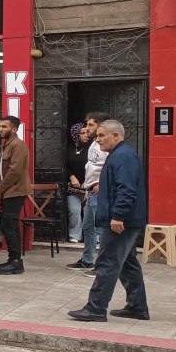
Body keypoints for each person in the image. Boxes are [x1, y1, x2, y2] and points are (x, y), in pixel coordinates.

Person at [68, 120, 150, 323]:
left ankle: (95, 308)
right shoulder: (118, 154)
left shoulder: (123, 156)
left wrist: (118, 216)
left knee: (108, 262)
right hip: (124, 219)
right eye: (97, 136)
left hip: (121, 221)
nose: (98, 140)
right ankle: (137, 306)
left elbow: (126, 190)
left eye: (102, 135)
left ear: (116, 136)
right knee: (128, 264)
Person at [68, 112, 110, 272]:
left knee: (102, 229)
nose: (87, 128)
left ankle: (103, 265)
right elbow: (92, 166)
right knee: (88, 227)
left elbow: (110, 165)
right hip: (91, 190)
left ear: (101, 125)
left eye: (91, 124)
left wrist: (102, 183)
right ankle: (87, 260)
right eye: (87, 124)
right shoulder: (93, 143)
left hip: (100, 192)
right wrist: (87, 186)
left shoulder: (106, 144)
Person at [0, 116, 31, 275]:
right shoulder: (6, 145)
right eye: (0, 126)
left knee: (9, 224)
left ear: (14, 129)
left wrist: (1, 187)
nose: (0, 129)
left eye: (4, 126)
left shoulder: (18, 145)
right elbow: (1, 168)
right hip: (8, 191)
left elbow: (14, 171)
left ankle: (15, 261)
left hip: (15, 190)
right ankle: (13, 259)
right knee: (8, 225)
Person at [65, 123, 89, 243]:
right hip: (73, 186)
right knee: (74, 210)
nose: (86, 135)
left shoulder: (92, 147)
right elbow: (64, 165)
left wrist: (88, 183)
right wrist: (72, 177)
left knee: (90, 212)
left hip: (88, 185)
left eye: (87, 133)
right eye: (82, 133)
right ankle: (75, 235)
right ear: (75, 134)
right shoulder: (68, 148)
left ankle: (93, 237)